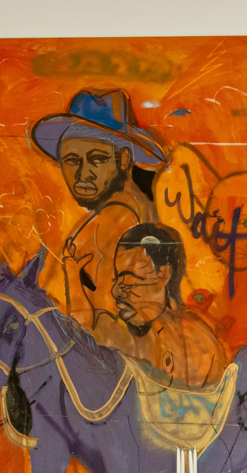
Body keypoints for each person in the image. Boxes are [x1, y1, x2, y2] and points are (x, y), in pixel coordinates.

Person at [30, 88, 169, 337]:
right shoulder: (137, 210)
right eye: (72, 160)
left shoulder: (113, 220)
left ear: (124, 159)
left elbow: (93, 331)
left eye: (96, 160)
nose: (83, 174)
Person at [97, 222, 227, 388]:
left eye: (128, 277)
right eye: (117, 278)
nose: (116, 292)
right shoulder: (123, 338)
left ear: (163, 275)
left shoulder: (196, 348)